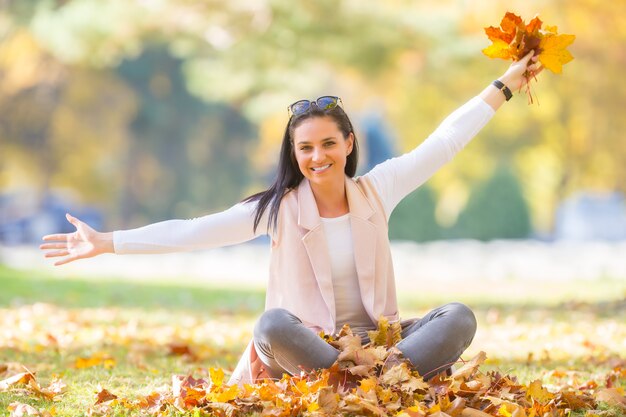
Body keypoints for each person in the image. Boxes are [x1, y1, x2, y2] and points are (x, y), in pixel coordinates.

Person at [40, 51, 543, 386]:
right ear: (294, 153)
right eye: (305, 147)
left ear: (348, 145)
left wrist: (504, 85)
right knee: (272, 323)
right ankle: (353, 385)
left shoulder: (378, 190)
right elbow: (194, 232)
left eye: (328, 143)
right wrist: (108, 241)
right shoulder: (276, 210)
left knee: (457, 316)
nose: (317, 156)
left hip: (381, 348)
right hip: (309, 350)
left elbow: (445, 141)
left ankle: (380, 380)